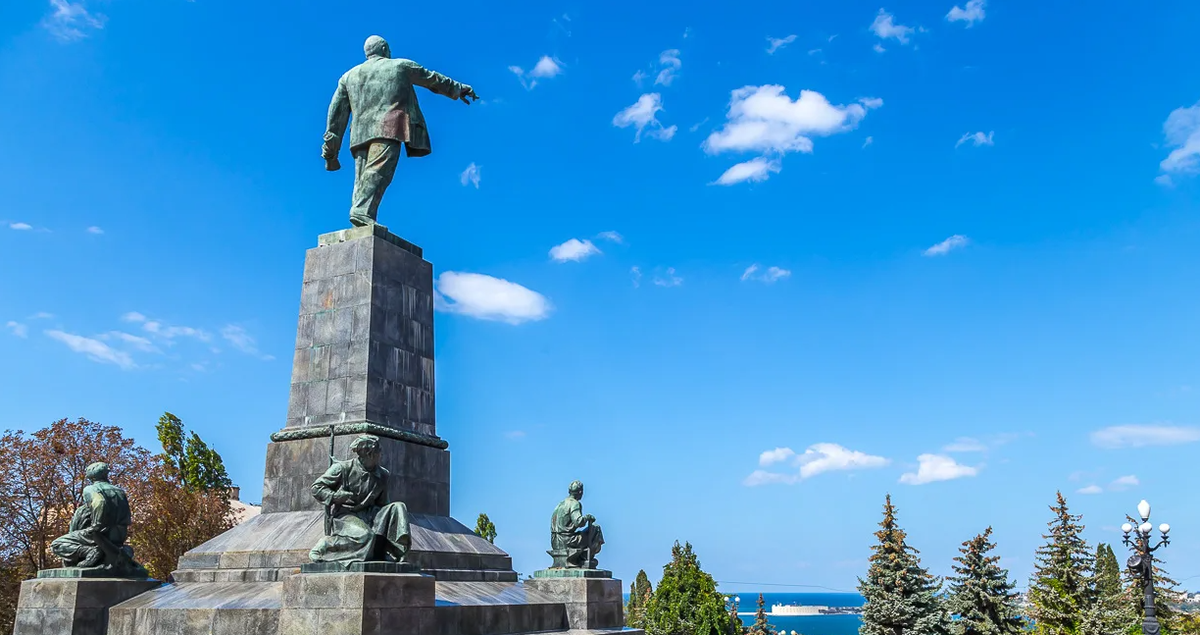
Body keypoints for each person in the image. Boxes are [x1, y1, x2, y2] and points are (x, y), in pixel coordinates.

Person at [321, 35, 478, 228]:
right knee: (379, 172)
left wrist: (331, 149)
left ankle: (361, 223)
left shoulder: (348, 76)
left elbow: (335, 114)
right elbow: (432, 79)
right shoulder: (400, 66)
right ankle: (361, 211)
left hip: (359, 134)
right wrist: (459, 89)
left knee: (362, 180)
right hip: (388, 127)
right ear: (385, 49)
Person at [309, 435, 412, 565]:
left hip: (371, 514)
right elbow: (316, 488)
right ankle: (326, 546)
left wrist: (386, 520)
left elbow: (383, 503)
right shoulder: (342, 468)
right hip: (346, 515)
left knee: (398, 506)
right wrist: (334, 496)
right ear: (369, 454)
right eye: (378, 452)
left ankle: (396, 551)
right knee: (366, 536)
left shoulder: (383, 474)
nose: (381, 454)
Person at [50, 462, 147, 577]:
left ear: (91, 475)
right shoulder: (119, 491)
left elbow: (99, 502)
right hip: (119, 535)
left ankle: (88, 551)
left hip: (102, 534)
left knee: (57, 544)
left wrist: (96, 526)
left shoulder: (91, 489)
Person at [550, 480, 604, 569]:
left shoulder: (560, 504)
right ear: (580, 492)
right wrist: (587, 517)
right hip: (567, 541)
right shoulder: (575, 503)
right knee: (596, 529)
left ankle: (581, 557)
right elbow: (578, 522)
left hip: (555, 541)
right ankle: (584, 558)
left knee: (583, 533)